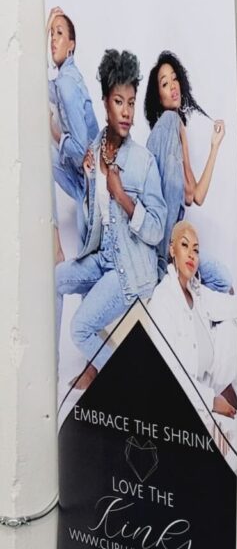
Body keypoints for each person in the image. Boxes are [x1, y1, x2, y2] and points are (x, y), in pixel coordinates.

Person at [55, 50, 167, 391]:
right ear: (106, 102)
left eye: (132, 103)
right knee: (55, 279)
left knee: (80, 328)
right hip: (103, 258)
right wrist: (91, 180)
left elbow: (157, 229)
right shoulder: (95, 147)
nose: (127, 112)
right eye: (119, 101)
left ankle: (125, 379)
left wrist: (122, 196)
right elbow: (94, 226)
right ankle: (50, 364)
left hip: (131, 271)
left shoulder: (143, 162)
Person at [144, 51, 230, 290]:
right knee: (221, 282)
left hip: (176, 247)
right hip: (166, 249)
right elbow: (171, 192)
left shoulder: (178, 126)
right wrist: (167, 258)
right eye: (164, 83)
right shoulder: (168, 123)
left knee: (222, 281)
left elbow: (194, 196)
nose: (172, 86)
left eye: (174, 79)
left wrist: (214, 146)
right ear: (158, 97)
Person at [147, 221, 237, 418]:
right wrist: (211, 401)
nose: (191, 255)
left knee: (236, 324)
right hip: (179, 402)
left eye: (196, 250)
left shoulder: (196, 291)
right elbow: (168, 373)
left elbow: (232, 306)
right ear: (172, 250)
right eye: (185, 245)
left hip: (207, 384)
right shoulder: (162, 299)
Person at [46, 7, 100, 259]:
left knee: (84, 268)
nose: (53, 40)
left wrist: (56, 134)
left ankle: (57, 250)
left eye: (59, 33)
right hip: (86, 184)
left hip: (93, 184)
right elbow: (37, 85)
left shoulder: (67, 83)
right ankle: (55, 245)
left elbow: (81, 152)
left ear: (71, 46)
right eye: (50, 35)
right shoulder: (63, 80)